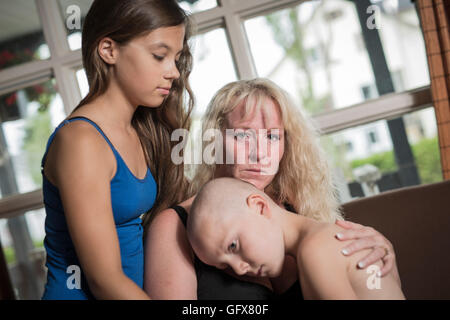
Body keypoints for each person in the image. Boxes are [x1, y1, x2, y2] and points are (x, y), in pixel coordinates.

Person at [143, 78, 401, 299]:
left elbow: (365, 280)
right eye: (243, 135)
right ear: (215, 139)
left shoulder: (298, 207)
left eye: (272, 136)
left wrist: (381, 256)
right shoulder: (175, 224)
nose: (260, 154)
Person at [41, 0, 194, 299]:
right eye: (159, 56)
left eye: (176, 58)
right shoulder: (81, 141)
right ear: (109, 50)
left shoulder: (138, 129)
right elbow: (105, 281)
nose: (174, 72)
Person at [187, 177, 405, 300]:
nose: (240, 269)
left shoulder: (315, 251)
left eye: (233, 246)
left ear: (259, 206)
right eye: (226, 265)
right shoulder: (327, 237)